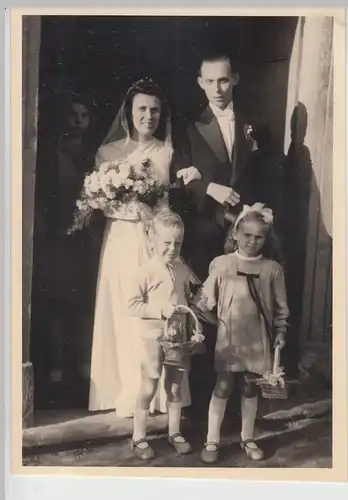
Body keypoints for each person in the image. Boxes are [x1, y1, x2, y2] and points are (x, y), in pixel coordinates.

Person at [88, 78, 191, 418]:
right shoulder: (108, 152)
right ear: (128, 113)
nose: (149, 116)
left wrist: (153, 217)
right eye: (142, 109)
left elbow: (167, 202)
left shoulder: (166, 152)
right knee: (122, 310)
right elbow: (99, 201)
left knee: (153, 312)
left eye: (155, 110)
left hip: (152, 243)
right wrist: (131, 209)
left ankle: (157, 397)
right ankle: (122, 390)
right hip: (120, 238)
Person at [170, 52, 257, 418]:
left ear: (234, 79)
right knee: (208, 314)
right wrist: (211, 188)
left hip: (245, 237)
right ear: (200, 83)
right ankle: (204, 406)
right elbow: (178, 176)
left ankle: (239, 404)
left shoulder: (253, 123)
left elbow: (264, 172)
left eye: (224, 80)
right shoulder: (189, 125)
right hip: (206, 235)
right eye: (210, 81)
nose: (218, 89)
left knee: (244, 312)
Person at [192, 203, 289, 464]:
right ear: (235, 234)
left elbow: (281, 309)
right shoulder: (222, 265)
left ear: (266, 239)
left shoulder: (272, 270)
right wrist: (214, 321)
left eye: (259, 237)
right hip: (230, 340)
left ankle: (248, 437)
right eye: (247, 235)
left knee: (250, 387)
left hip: (259, 340)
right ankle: (212, 439)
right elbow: (204, 301)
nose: (252, 241)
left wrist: (280, 331)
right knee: (223, 385)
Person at [31, 93, 101, 408]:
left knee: (82, 311)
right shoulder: (49, 156)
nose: (78, 121)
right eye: (73, 114)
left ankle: (82, 378)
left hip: (84, 245)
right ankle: (55, 380)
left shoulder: (93, 157)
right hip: (56, 244)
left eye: (84, 115)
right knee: (56, 309)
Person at [128, 210, 198, 460]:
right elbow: (133, 305)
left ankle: (174, 432)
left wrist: (193, 306)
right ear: (152, 242)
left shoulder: (182, 269)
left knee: (175, 386)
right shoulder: (145, 271)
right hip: (152, 338)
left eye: (177, 243)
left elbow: (187, 296)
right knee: (149, 385)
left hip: (177, 338)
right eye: (166, 243)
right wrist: (160, 310)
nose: (172, 248)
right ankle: (138, 437)